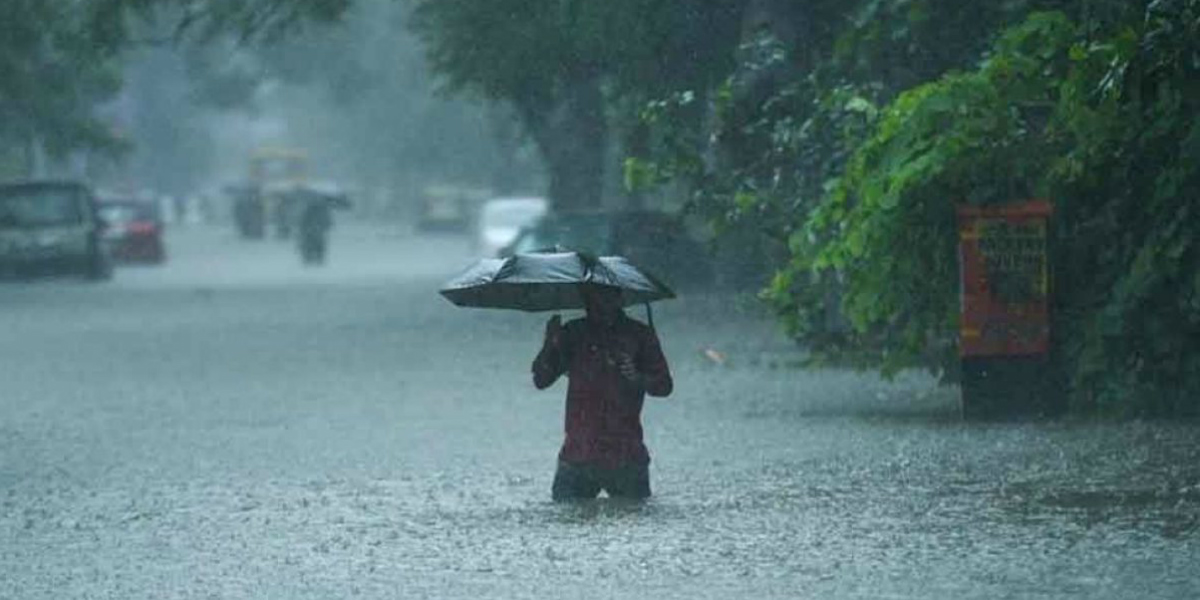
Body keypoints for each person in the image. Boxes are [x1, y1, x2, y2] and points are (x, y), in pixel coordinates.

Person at [532, 283, 673, 501]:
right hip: (579, 452)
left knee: (633, 521)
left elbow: (664, 385)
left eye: (605, 298)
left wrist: (637, 378)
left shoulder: (638, 335)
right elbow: (541, 379)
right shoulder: (573, 333)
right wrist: (550, 343)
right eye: (591, 299)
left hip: (625, 453)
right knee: (567, 521)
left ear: (618, 298)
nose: (598, 305)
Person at [297, 196, 333, 265]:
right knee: (318, 246)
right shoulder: (322, 210)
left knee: (310, 245)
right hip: (317, 231)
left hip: (310, 231)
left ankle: (309, 258)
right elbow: (327, 221)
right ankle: (317, 259)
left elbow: (302, 221)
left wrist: (303, 228)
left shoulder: (308, 210)